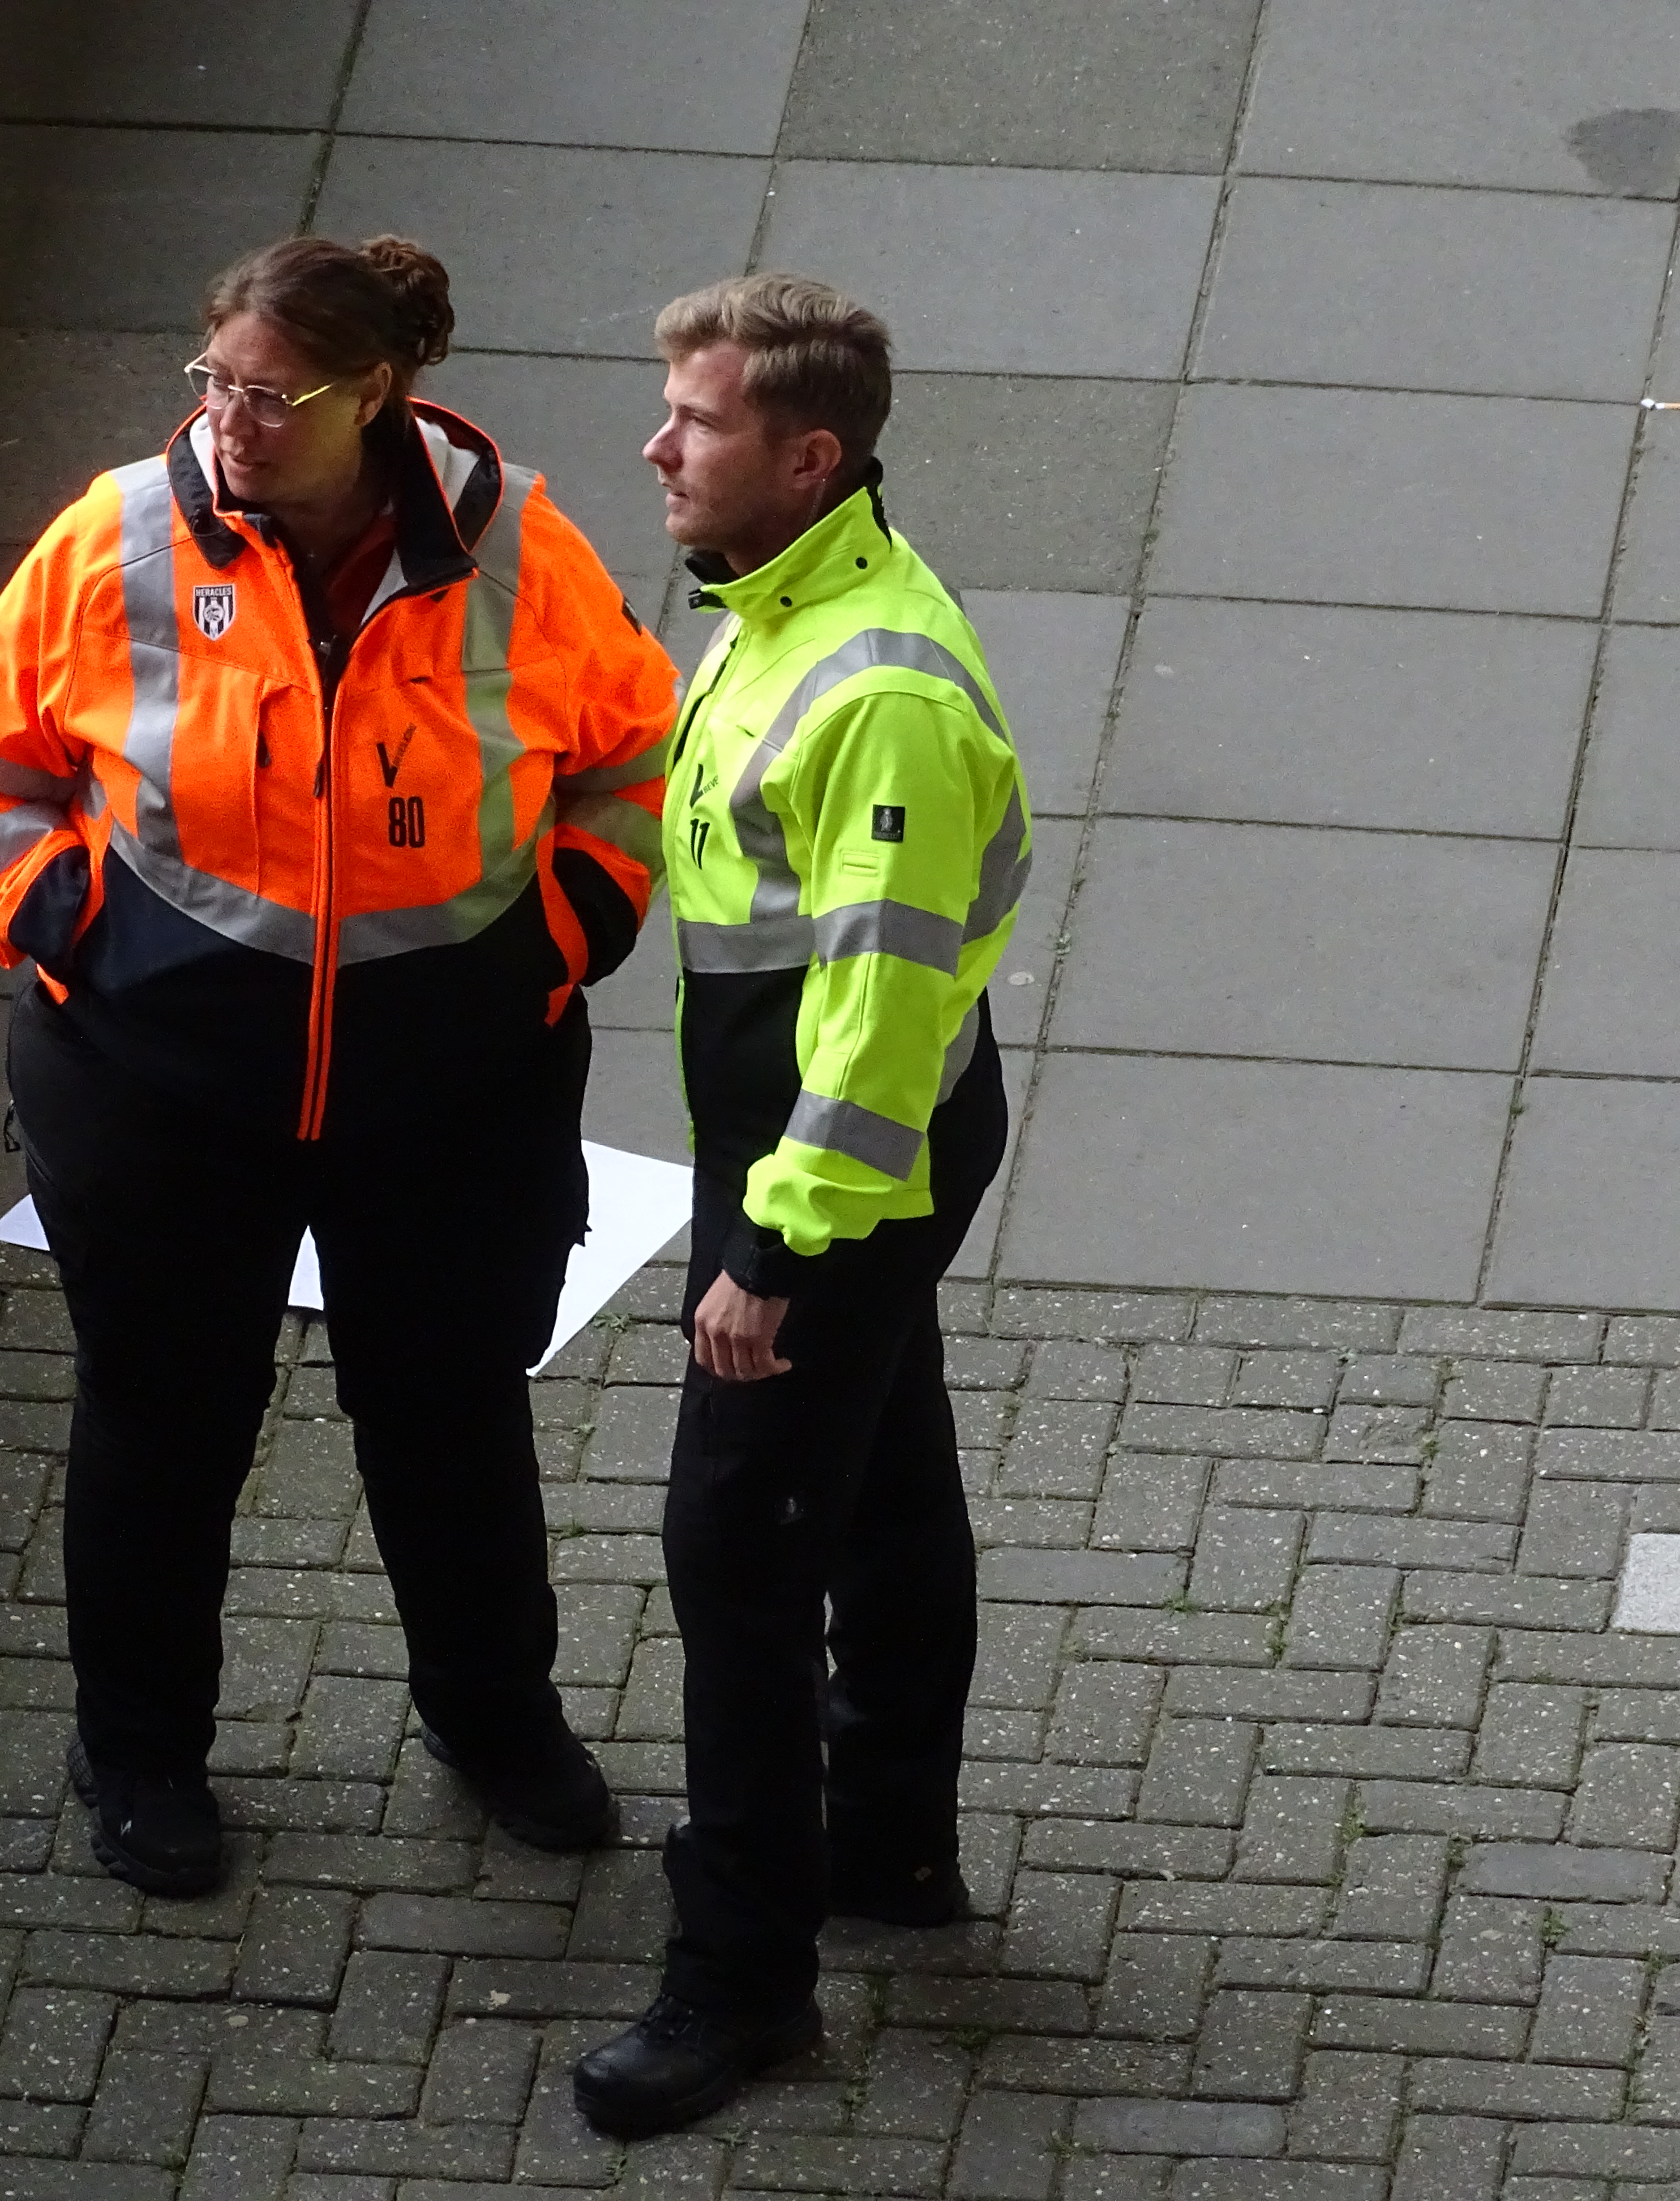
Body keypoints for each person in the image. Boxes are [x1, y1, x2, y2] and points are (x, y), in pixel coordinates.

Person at [0, 236, 678, 1898]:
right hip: (156, 1094)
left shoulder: (521, 553)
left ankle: (495, 1720)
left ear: (374, 395)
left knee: (453, 1418)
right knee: (160, 1426)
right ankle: (141, 1754)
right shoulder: (114, 543)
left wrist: (562, 937)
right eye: (216, 384)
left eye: (273, 394)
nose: (230, 420)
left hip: (454, 1100)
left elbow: (631, 760)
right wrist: (82, 930)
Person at [572, 274, 1025, 2137]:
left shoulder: (880, 692)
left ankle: (744, 1977)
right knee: (884, 1479)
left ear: (809, 456)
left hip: (836, 1174)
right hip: (846, 1154)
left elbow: (876, 1008)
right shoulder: (783, 601)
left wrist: (772, 1253)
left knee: (738, 1553)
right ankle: (892, 1844)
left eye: (697, 423)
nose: (657, 448)